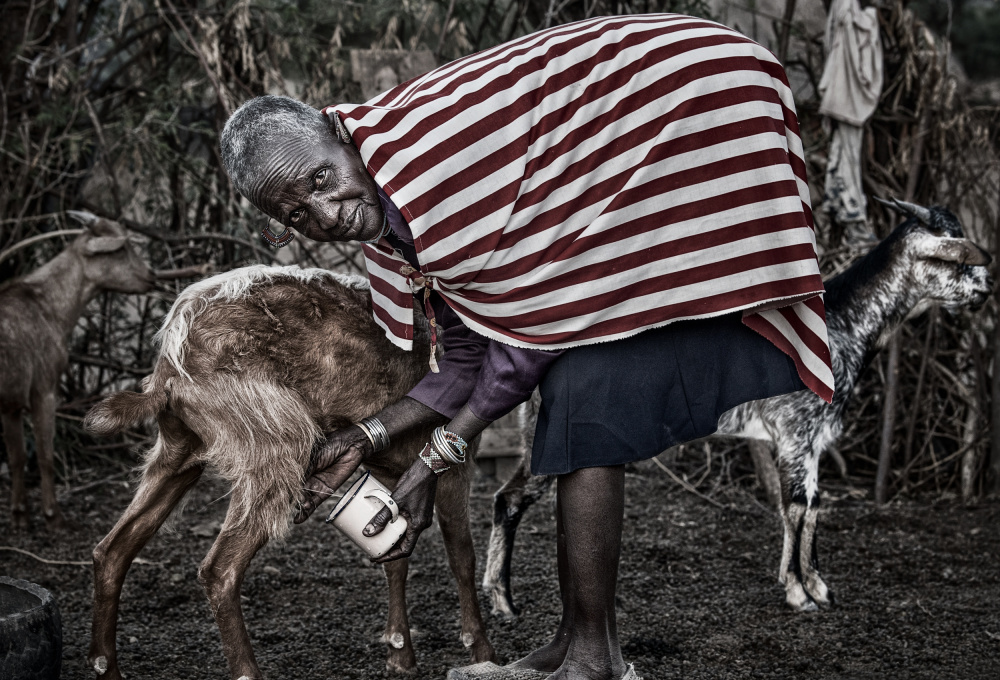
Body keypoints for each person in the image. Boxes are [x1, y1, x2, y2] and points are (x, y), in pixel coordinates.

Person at [220, 14, 834, 680]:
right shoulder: (390, 220)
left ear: (337, 134)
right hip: (659, 113)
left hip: (694, 103)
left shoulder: (429, 172)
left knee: (588, 392)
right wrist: (364, 439)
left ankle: (593, 659)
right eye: (298, 215)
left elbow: (521, 350)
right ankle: (576, 647)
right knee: (576, 391)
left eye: (318, 181)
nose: (330, 213)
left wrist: (430, 460)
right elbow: (467, 357)